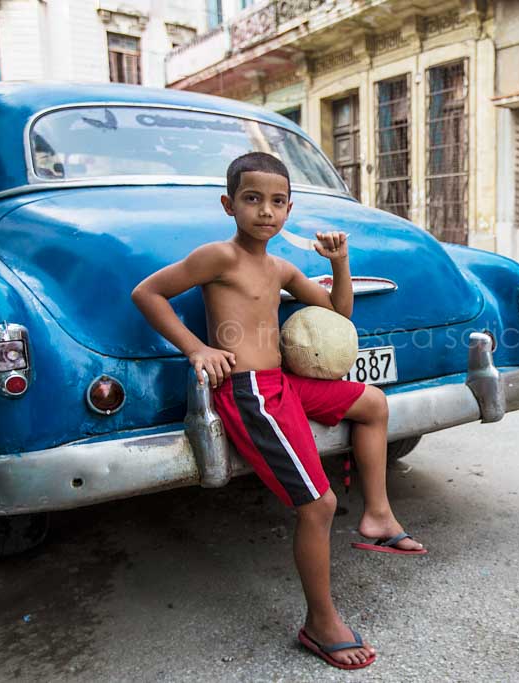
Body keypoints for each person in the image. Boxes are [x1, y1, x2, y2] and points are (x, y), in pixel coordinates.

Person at [132, 152, 425, 671]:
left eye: (276, 202)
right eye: (252, 199)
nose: (265, 211)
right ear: (229, 204)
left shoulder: (282, 267)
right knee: (318, 504)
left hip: (283, 382)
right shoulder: (217, 257)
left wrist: (338, 261)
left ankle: (378, 517)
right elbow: (147, 292)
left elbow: (337, 314)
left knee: (374, 402)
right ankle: (320, 623)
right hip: (248, 392)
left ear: (288, 209)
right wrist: (196, 348)